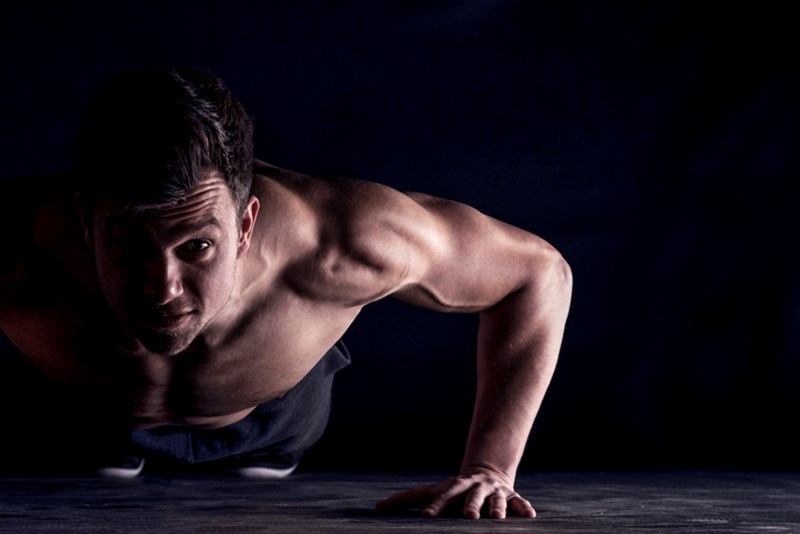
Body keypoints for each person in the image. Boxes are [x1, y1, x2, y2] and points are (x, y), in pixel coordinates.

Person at [0, 68, 572, 519]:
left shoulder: (341, 241)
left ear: (246, 225)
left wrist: (492, 467)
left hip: (272, 425)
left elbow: (538, 274)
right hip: (84, 422)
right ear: (84, 218)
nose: (162, 286)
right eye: (128, 245)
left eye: (196, 247)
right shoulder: (18, 245)